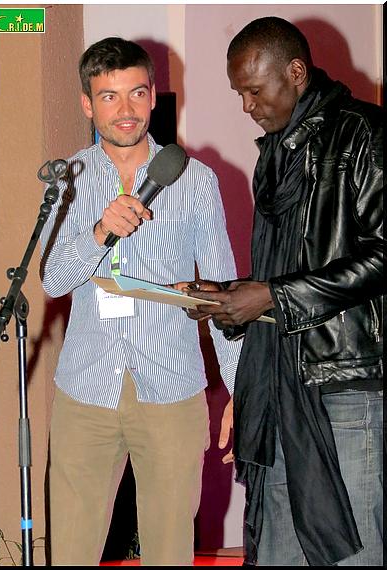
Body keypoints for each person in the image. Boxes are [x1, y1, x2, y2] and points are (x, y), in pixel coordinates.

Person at [184, 16, 384, 567]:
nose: (246, 106)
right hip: (278, 383)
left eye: (254, 90)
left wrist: (273, 296)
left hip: (344, 383)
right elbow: (282, 268)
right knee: (276, 550)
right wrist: (229, 297)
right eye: (239, 93)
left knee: (354, 553)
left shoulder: (365, 134)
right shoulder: (275, 152)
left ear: (296, 73)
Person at [40, 36, 242, 567]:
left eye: (136, 93)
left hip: (172, 387)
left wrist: (239, 387)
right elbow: (53, 280)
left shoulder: (195, 181)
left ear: (153, 95)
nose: (125, 109)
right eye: (109, 96)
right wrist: (98, 232)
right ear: (88, 104)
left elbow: (224, 295)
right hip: (86, 389)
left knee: (169, 551)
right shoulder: (67, 180)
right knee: (71, 551)